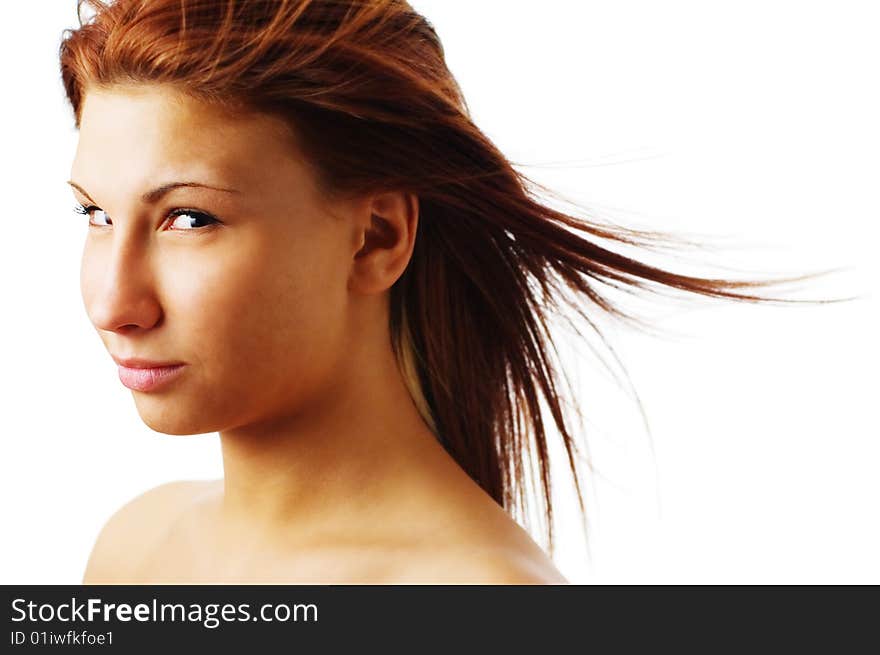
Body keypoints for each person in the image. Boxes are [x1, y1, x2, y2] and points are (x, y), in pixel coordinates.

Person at [60, 0, 829, 584]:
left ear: (378, 237)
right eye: (95, 213)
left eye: (189, 218)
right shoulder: (136, 547)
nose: (113, 303)